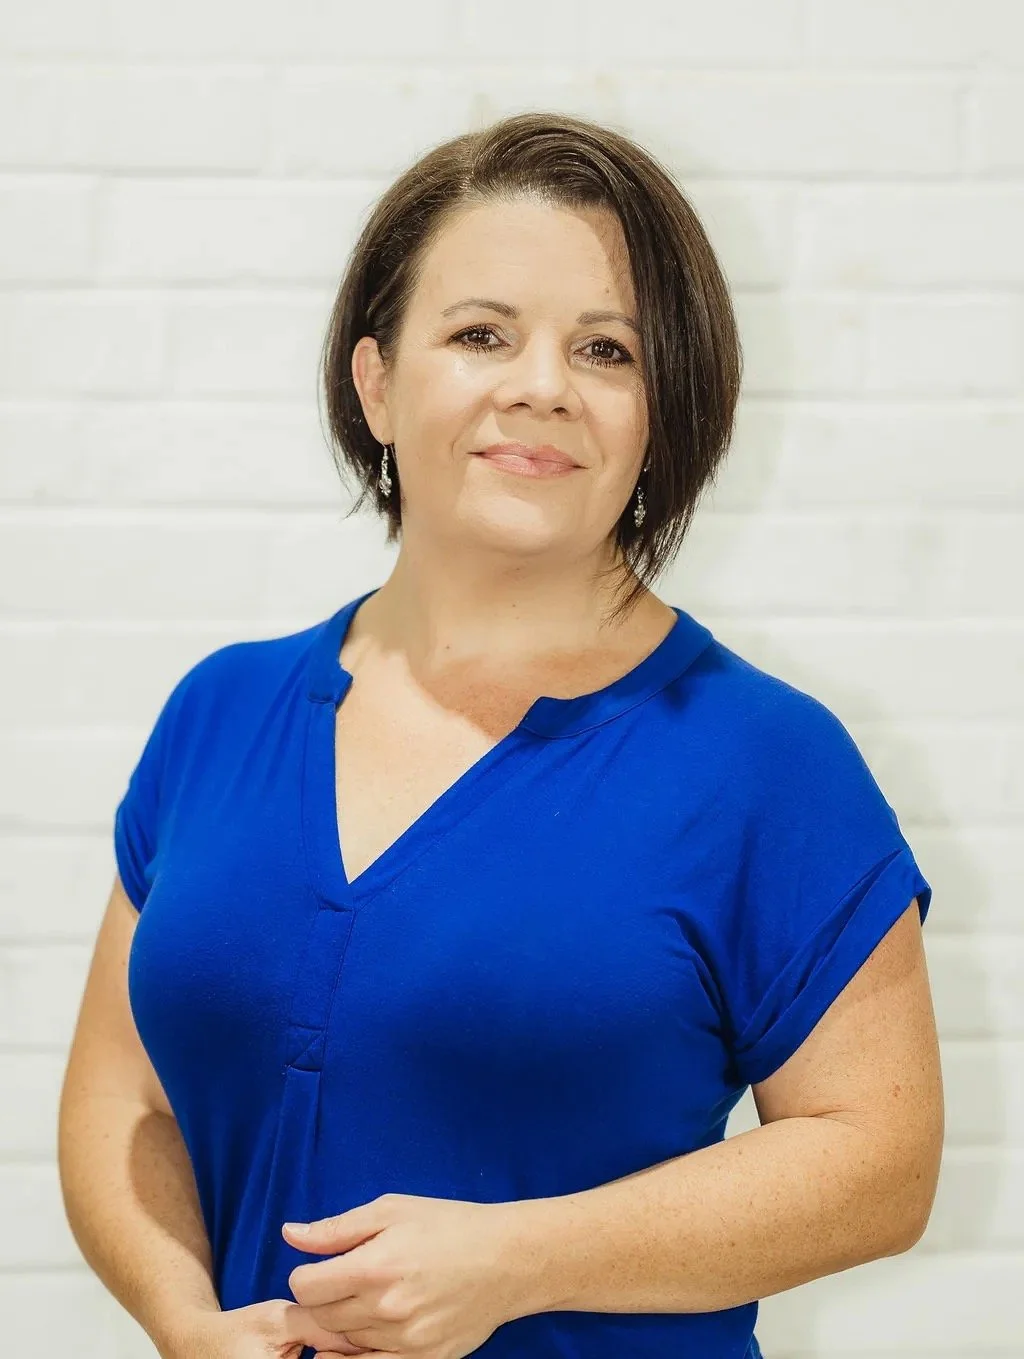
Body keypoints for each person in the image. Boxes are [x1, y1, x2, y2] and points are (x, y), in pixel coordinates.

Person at [58, 111, 943, 1359]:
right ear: (376, 381)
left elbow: (878, 1166)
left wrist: (518, 1262)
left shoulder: (764, 761)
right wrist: (181, 1318)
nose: (540, 384)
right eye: (481, 334)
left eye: (606, 350)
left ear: (655, 420)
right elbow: (123, 1093)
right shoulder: (223, 710)